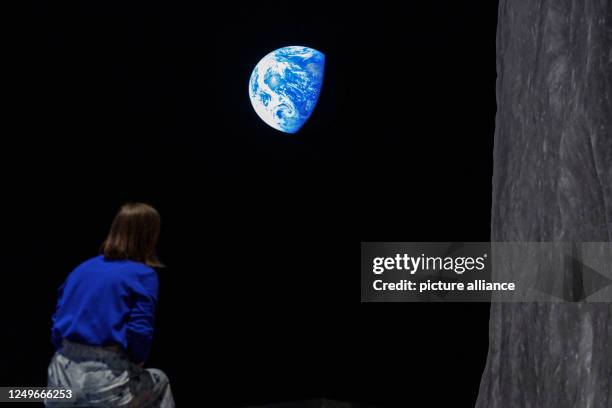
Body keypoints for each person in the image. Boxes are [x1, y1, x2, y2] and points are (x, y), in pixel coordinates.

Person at [46, 203, 175, 407]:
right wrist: (135, 360)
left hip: (60, 382)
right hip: (105, 385)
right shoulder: (142, 274)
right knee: (160, 380)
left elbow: (57, 322)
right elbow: (140, 333)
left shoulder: (82, 268)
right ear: (150, 235)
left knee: (17, 394)